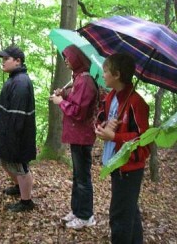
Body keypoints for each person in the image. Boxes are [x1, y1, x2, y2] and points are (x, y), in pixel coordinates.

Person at [95, 53, 150, 244]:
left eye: (105, 71)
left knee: (119, 218)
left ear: (117, 74)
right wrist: (102, 128)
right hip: (114, 165)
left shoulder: (137, 103)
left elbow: (144, 143)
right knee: (129, 211)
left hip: (128, 170)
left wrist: (115, 136)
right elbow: (100, 118)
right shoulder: (111, 97)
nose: (102, 75)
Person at [50, 44, 98, 229]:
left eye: (69, 57)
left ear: (78, 58)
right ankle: (77, 210)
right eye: (65, 58)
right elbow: (76, 101)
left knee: (82, 177)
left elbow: (79, 112)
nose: (66, 61)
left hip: (82, 136)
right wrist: (65, 94)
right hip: (77, 135)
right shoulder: (78, 79)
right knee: (78, 176)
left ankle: (86, 216)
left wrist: (61, 102)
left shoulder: (85, 81)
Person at [0, 46, 36, 212]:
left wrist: (12, 140)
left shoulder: (21, 83)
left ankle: (26, 201)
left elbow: (18, 116)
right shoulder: (14, 79)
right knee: (4, 161)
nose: (2, 62)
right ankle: (19, 187)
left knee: (20, 167)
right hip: (5, 133)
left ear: (18, 61)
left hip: (16, 137)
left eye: (5, 59)